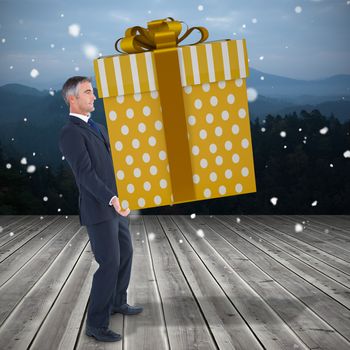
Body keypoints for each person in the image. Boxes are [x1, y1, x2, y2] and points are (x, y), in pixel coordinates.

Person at [59, 76, 143, 342]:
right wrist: (111, 198)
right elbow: (84, 175)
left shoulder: (100, 127)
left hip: (117, 205)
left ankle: (118, 301)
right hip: (99, 208)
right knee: (109, 263)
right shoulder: (70, 133)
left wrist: (126, 193)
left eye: (93, 92)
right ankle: (96, 324)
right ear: (72, 99)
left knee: (126, 252)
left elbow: (114, 165)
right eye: (87, 93)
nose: (93, 97)